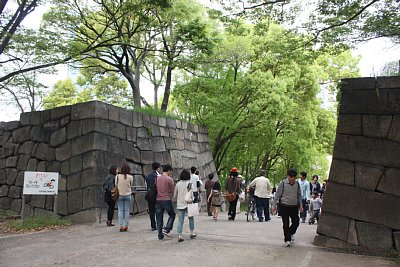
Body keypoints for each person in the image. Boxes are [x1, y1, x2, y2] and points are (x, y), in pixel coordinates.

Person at [271, 168, 303, 247]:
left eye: (293, 177)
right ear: (288, 176)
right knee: (286, 223)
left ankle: (291, 233)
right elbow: (277, 195)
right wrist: (273, 206)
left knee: (296, 222)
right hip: (284, 206)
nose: (292, 178)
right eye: (290, 176)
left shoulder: (297, 184)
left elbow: (299, 195)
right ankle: (287, 239)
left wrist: (301, 205)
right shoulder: (283, 183)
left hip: (294, 206)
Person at [173, 169, 197, 242]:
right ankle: (192, 233)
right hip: (188, 203)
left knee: (180, 220)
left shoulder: (178, 184)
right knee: (191, 218)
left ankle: (180, 235)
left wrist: (174, 200)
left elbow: (175, 194)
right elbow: (192, 194)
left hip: (180, 204)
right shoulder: (190, 184)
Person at [155, 164, 176, 240]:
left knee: (159, 218)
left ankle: (160, 235)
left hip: (158, 200)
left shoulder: (157, 178)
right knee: (172, 215)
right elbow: (172, 191)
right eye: (171, 171)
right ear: (169, 170)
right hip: (166, 199)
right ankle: (167, 229)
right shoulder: (169, 179)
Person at [115, 163, 134, 232]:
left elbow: (115, 184)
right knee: (126, 210)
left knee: (120, 210)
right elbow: (131, 184)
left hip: (120, 195)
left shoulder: (117, 176)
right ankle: (126, 225)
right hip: (128, 195)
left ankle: (121, 225)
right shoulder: (130, 177)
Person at [145, 162, 161, 231]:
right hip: (157, 195)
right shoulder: (159, 176)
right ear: (158, 168)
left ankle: (153, 225)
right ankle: (159, 224)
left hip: (150, 195)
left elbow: (146, 186)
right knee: (158, 210)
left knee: (151, 211)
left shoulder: (147, 176)